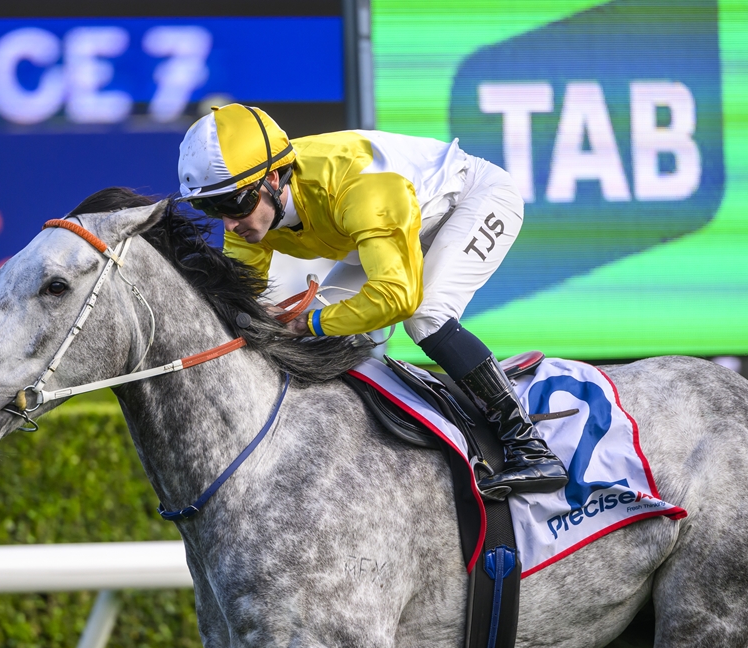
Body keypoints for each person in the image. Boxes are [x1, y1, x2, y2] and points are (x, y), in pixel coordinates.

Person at [176, 103, 566, 497]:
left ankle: (530, 447)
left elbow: (398, 297)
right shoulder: (252, 216)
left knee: (425, 315)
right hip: (391, 229)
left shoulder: (355, 185)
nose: (229, 224)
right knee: (319, 339)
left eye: (234, 204)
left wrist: (305, 321)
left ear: (273, 178)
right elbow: (235, 304)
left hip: (472, 200)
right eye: (210, 208)